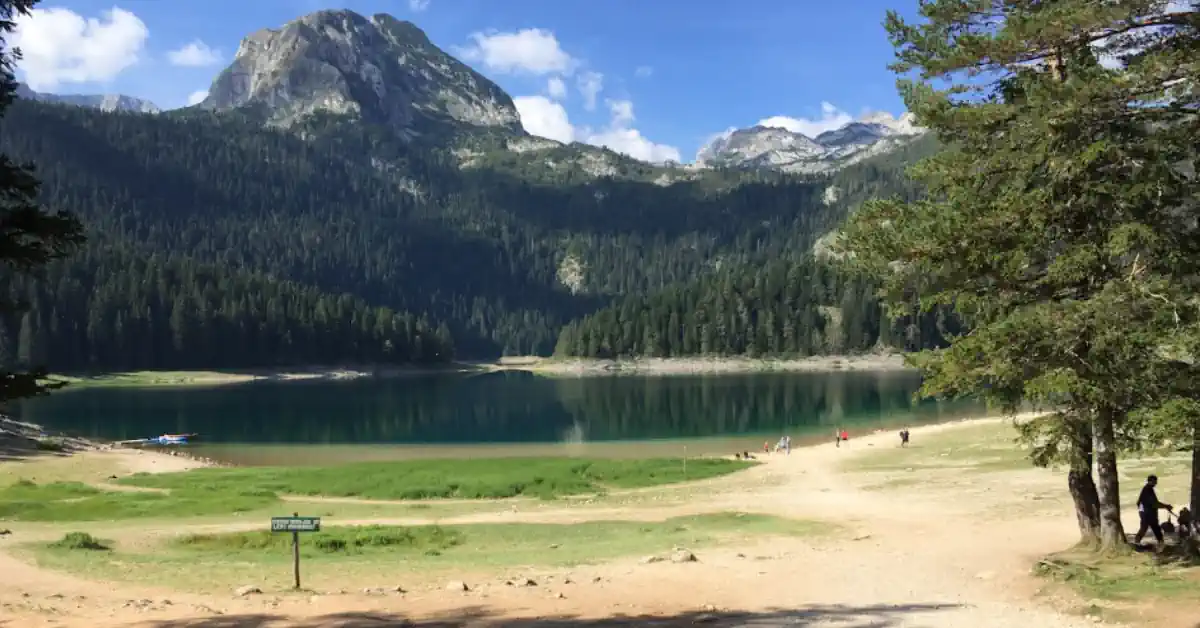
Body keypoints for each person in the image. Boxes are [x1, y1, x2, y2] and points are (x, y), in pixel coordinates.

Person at [1133, 474, 1173, 548]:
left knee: (1146, 528)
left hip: (1145, 512)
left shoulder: (1147, 489)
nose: (1156, 483)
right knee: (1154, 528)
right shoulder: (1148, 490)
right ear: (1150, 481)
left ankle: (1136, 542)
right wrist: (1166, 506)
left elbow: (1139, 502)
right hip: (1147, 513)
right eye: (1155, 481)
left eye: (1156, 481)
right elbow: (1155, 504)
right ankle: (1161, 544)